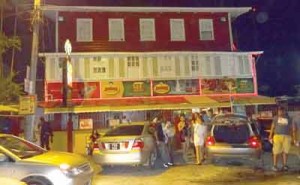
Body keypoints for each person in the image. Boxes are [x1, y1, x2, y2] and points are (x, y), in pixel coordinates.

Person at [268, 107, 296, 171]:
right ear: (278, 111)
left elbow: (291, 128)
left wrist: (292, 137)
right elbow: (272, 127)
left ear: (285, 111)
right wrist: (270, 135)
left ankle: (285, 165)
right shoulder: (275, 118)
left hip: (287, 136)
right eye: (280, 111)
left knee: (286, 151)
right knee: (276, 152)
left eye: (282, 111)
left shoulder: (289, 118)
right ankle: (275, 166)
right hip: (277, 136)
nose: (281, 112)